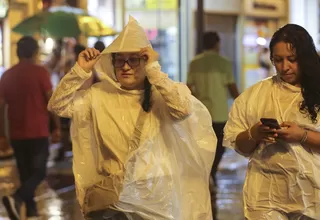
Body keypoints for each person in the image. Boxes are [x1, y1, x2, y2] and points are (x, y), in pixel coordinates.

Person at [48, 16, 217, 220]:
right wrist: (80, 71)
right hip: (114, 199)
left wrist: (154, 70)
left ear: (146, 61)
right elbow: (57, 106)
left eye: (134, 60)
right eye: (120, 60)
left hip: (156, 199)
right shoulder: (98, 94)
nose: (126, 66)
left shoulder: (162, 93)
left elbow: (182, 109)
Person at [224, 24, 320, 219]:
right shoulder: (256, 95)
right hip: (266, 194)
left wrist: (301, 135)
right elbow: (239, 145)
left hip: (313, 193)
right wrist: (255, 133)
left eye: (292, 60)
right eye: (278, 60)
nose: (285, 67)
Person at [0, 36, 60, 220]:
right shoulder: (40, 73)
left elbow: (1, 107)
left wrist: (2, 134)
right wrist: (56, 126)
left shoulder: (7, 75)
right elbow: (51, 101)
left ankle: (31, 213)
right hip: (38, 132)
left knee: (26, 174)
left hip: (17, 134)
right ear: (34, 52)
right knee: (39, 172)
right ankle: (16, 198)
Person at [187, 31, 239, 186]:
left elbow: (188, 88)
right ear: (217, 44)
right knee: (219, 147)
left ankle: (207, 172)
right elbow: (232, 88)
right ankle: (212, 171)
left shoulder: (194, 63)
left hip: (201, 115)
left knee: (203, 145)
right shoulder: (224, 63)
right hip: (219, 113)